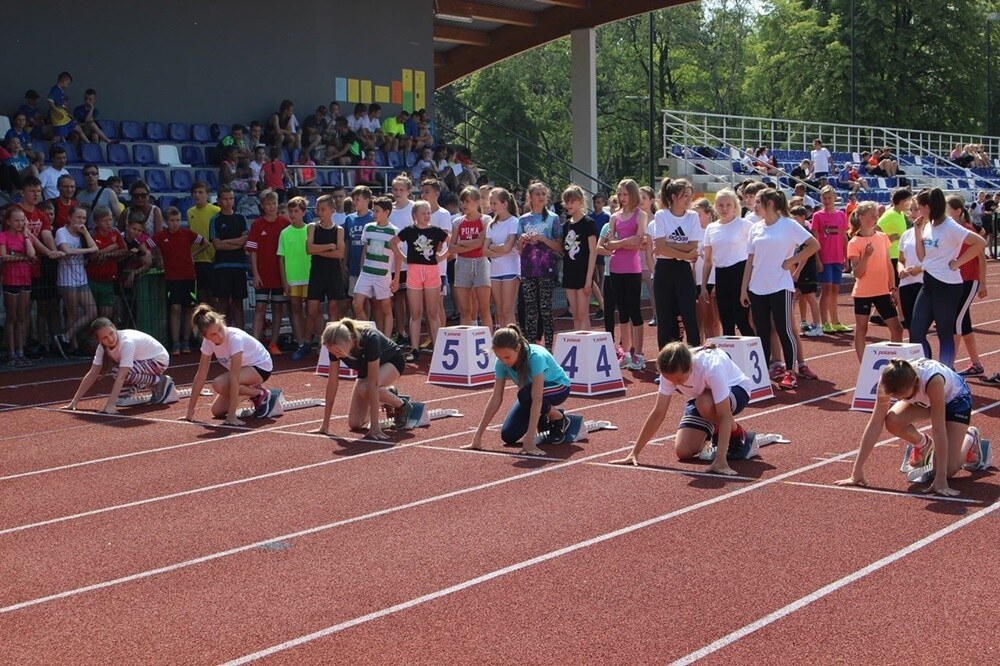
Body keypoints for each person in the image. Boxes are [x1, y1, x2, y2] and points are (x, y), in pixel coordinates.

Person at [836, 358, 983, 497]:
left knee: (947, 470)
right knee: (893, 421)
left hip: (956, 401)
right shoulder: (887, 380)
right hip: (925, 400)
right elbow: (875, 423)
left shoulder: (933, 380)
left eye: (904, 396)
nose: (900, 400)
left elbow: (938, 429)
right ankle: (923, 444)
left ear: (915, 383)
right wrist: (856, 471)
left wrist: (941, 478)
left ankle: (970, 438)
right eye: (896, 397)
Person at [611, 343, 762, 476]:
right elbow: (658, 413)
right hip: (702, 398)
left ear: (690, 367)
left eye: (679, 379)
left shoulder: (711, 367)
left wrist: (720, 461)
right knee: (683, 451)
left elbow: (724, 415)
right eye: (670, 379)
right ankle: (716, 433)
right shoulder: (669, 373)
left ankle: (741, 436)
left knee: (704, 403)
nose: (674, 383)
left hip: (736, 389)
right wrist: (635, 452)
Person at [740, 188, 820, 391]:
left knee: (784, 329)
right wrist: (744, 288)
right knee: (762, 331)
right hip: (757, 287)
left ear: (770, 204)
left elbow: (813, 245)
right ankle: (763, 372)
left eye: (758, 202)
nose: (754, 205)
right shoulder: (755, 228)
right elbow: (750, 260)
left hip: (780, 286)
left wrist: (791, 261)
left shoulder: (789, 225)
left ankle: (790, 373)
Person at [909, 188, 986, 369]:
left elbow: (980, 242)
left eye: (919, 208)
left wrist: (958, 262)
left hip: (947, 286)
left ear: (928, 207)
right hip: (928, 282)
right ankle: (926, 370)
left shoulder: (950, 226)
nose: (918, 212)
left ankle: (944, 374)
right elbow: (922, 257)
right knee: (916, 331)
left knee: (945, 333)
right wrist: (917, 231)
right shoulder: (928, 225)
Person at [464, 325, 572, 456]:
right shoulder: (501, 363)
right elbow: (496, 397)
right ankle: (543, 416)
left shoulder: (535, 357)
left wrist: (530, 438)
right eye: (500, 357)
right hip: (530, 393)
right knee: (508, 436)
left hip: (559, 386)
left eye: (507, 357)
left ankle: (558, 417)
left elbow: (537, 399)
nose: (504, 362)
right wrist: (478, 436)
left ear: (518, 347)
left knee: (525, 395)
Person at [312, 318, 411, 440]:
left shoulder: (370, 339)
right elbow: (332, 382)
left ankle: (402, 405)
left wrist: (374, 426)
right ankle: (387, 394)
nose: (336, 355)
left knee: (366, 388)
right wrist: (325, 424)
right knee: (355, 424)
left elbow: (373, 384)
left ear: (349, 341)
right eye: (332, 351)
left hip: (392, 362)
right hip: (366, 370)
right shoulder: (334, 346)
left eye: (338, 351)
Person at [185, 303, 277, 426]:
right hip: (243, 371)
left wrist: (232, 415)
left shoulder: (235, 339)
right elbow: (200, 375)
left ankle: (260, 394)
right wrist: (190, 411)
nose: (219, 335)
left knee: (218, 384)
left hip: (261, 367)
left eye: (220, 329)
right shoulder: (207, 343)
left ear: (222, 322)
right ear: (205, 337)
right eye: (213, 334)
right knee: (217, 411)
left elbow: (235, 377)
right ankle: (252, 391)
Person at [65, 318, 173, 413]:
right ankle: (153, 381)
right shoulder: (102, 348)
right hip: (141, 363)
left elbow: (122, 375)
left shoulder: (127, 343)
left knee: (117, 372)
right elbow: (92, 373)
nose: (110, 339)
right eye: (105, 338)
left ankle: (159, 381)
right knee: (121, 396)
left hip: (158, 360)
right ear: (98, 340)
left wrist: (110, 405)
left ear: (114, 328)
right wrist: (74, 402)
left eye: (111, 333)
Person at [391, 200, 449, 358]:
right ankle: (414, 349)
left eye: (429, 213)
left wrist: (442, 256)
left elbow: (452, 243)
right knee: (415, 313)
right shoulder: (409, 231)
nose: (427, 216)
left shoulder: (436, 231)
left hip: (432, 271)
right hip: (414, 271)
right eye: (423, 213)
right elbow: (393, 243)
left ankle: (437, 349)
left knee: (433, 312)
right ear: (414, 215)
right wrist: (403, 258)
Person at [846, 202, 903, 361]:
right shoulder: (854, 242)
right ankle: (863, 365)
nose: (876, 219)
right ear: (861, 217)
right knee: (862, 329)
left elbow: (889, 265)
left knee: (897, 329)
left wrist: (893, 287)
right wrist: (866, 256)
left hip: (883, 291)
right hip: (863, 293)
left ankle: (894, 363)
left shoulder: (882, 237)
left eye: (876, 216)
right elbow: (857, 273)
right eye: (872, 216)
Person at [602, 179, 647, 368]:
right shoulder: (614, 217)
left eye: (625, 194)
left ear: (633, 194)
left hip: (632, 269)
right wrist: (625, 242)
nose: (621, 198)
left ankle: (639, 355)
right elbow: (608, 244)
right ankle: (626, 354)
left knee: (634, 311)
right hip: (615, 268)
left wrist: (618, 243)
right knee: (622, 313)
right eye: (619, 194)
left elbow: (639, 242)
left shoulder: (640, 215)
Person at [152, 206, 209, 354]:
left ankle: (186, 341)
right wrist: (154, 256)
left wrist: (193, 255)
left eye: (177, 220)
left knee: (189, 309)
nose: (175, 223)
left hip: (189, 276)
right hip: (172, 278)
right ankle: (175, 342)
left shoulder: (187, 233)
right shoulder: (161, 236)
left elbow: (206, 243)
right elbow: (145, 244)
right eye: (172, 220)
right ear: (166, 221)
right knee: (175, 307)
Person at [650, 178, 699, 349]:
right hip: (664, 270)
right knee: (665, 320)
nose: (689, 199)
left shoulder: (693, 216)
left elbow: (693, 245)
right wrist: (685, 254)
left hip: (683, 270)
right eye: (685, 195)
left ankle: (695, 358)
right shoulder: (661, 215)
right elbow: (660, 248)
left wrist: (668, 246)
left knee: (689, 317)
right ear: (673, 197)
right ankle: (666, 361)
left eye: (690, 196)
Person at [946, 195, 988, 377]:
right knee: (964, 324)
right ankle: (976, 364)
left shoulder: (967, 230)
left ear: (957, 211)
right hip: (955, 281)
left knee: (956, 322)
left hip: (969, 281)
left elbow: (981, 258)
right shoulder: (949, 230)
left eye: (947, 209)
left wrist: (983, 283)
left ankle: (948, 365)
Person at [518, 181, 563, 350]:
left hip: (546, 269)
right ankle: (531, 348)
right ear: (530, 197)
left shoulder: (553, 218)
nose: (541, 197)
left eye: (543, 194)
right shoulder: (523, 219)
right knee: (530, 310)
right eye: (537, 194)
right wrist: (522, 240)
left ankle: (549, 348)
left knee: (545, 310)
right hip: (527, 269)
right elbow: (518, 249)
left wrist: (543, 239)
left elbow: (559, 246)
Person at [703, 189, 754, 337]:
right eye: (720, 205)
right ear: (715, 206)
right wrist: (704, 286)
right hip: (721, 274)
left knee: (742, 320)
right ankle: (730, 351)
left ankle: (757, 350)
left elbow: (756, 250)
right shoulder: (711, 228)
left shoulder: (744, 224)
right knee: (726, 321)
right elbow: (708, 260)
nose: (724, 209)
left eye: (728, 205)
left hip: (740, 273)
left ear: (735, 206)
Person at [247, 189, 291, 352]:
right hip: (263, 274)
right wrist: (255, 274)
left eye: (274, 203)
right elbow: (253, 251)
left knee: (278, 308)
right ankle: (254, 345)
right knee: (260, 307)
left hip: (280, 275)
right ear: (262, 206)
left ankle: (273, 343)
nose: (271, 207)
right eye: (268, 204)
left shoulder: (285, 223)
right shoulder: (257, 224)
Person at [53, 205, 98, 358]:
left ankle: (65, 337)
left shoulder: (83, 233)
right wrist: (87, 251)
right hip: (67, 279)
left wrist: (85, 232)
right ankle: (73, 346)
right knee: (72, 314)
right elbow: (66, 251)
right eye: (78, 217)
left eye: (84, 218)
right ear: (70, 218)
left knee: (92, 311)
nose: (81, 221)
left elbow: (95, 247)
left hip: (81, 278)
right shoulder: (61, 232)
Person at [352, 196, 399, 338]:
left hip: (383, 275)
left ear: (387, 212)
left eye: (377, 211)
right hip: (366, 273)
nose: (374, 213)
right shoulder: (368, 227)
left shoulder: (394, 231)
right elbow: (365, 250)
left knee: (386, 308)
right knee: (357, 305)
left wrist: (396, 278)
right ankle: (373, 335)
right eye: (373, 210)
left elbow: (398, 256)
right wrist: (362, 269)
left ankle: (386, 341)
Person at [306, 194, 347, 348]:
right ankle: (306, 342)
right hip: (316, 273)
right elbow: (309, 249)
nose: (319, 212)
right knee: (311, 310)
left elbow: (340, 254)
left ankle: (332, 343)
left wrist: (319, 251)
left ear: (332, 210)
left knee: (333, 309)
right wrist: (329, 246)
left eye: (323, 209)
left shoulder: (339, 230)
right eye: (318, 209)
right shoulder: (312, 227)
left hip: (333, 273)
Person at [811, 185, 851, 334]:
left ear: (835, 198)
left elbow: (844, 237)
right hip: (825, 258)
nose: (827, 201)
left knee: (835, 290)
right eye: (824, 198)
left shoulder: (841, 215)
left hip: (837, 258)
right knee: (826, 290)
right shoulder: (818, 216)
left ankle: (835, 321)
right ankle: (825, 322)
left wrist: (846, 257)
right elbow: (814, 239)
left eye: (829, 198)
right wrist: (817, 259)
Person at [1, 206, 37, 365]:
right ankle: (11, 353)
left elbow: (31, 254)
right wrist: (21, 257)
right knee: (12, 317)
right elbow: (4, 256)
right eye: (16, 220)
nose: (20, 223)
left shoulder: (24, 237)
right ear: (8, 221)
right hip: (11, 280)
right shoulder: (3, 236)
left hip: (25, 279)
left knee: (22, 317)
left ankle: (20, 351)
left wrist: (26, 235)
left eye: (22, 220)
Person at [209, 186, 249, 331]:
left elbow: (245, 240)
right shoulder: (215, 220)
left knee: (238, 303)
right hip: (222, 267)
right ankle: (220, 333)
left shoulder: (241, 218)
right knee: (222, 303)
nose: (228, 202)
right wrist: (237, 242)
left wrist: (226, 242)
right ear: (219, 201)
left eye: (231, 198)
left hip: (239, 266)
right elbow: (217, 245)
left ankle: (241, 335)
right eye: (225, 199)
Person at [452, 186, 492, 329]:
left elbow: (481, 243)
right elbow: (451, 248)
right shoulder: (457, 222)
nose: (464, 205)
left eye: (467, 201)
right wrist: (473, 244)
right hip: (462, 264)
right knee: (465, 310)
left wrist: (461, 243)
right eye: (462, 202)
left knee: (484, 309)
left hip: (481, 263)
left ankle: (490, 340)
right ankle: (466, 340)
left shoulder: (486, 220)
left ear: (477, 202)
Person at [561, 185, 598, 333]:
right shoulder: (566, 225)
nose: (569, 205)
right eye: (567, 202)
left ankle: (586, 343)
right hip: (569, 272)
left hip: (583, 273)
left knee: (583, 314)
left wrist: (589, 279)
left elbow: (593, 252)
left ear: (581, 201)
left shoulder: (588, 223)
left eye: (572, 201)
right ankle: (579, 342)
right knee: (575, 315)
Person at [280, 197, 313, 360]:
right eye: (291, 211)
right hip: (293, 278)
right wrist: (284, 280)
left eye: (296, 211)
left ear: (303, 212)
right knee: (296, 310)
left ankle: (312, 340)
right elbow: (281, 258)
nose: (293, 214)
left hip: (309, 277)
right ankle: (301, 343)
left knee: (312, 311)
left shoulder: (310, 230)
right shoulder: (284, 233)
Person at [484, 187, 521, 328]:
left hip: (511, 269)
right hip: (495, 271)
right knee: (499, 311)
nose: (492, 206)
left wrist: (493, 247)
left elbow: (508, 248)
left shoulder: (514, 222)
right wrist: (499, 249)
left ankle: (512, 338)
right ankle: (504, 338)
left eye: (494, 203)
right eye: (491, 203)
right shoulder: (491, 224)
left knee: (507, 310)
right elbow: (484, 250)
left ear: (504, 204)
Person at [874, 188, 912, 325]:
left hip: (897, 254)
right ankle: (902, 317)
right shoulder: (889, 214)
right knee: (897, 286)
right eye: (908, 201)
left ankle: (876, 314)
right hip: (891, 255)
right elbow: (875, 229)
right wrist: (888, 239)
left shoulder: (899, 213)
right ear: (902, 201)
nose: (910, 204)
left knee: (890, 286)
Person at [86, 206, 127, 322]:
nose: (109, 223)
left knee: (107, 314)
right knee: (92, 313)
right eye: (105, 220)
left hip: (109, 280)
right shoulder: (92, 234)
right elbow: (93, 256)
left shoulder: (115, 233)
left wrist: (108, 254)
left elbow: (124, 250)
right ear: (97, 222)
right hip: (92, 280)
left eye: (110, 219)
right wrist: (111, 247)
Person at [789, 205, 822, 339]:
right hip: (797, 269)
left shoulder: (805, 233)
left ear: (803, 217)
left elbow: (806, 255)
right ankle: (793, 324)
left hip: (806, 270)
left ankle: (817, 326)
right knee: (795, 296)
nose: (793, 221)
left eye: (795, 218)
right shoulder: (795, 233)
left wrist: (797, 272)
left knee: (810, 296)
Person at [692, 197, 721, 340]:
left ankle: (715, 346)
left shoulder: (715, 230)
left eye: (699, 214)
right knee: (700, 320)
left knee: (713, 320)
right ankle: (703, 347)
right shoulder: (693, 232)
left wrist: (716, 283)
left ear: (708, 214)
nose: (696, 218)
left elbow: (717, 259)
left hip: (713, 280)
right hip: (698, 281)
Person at [186, 181, 220, 306]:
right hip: (196, 258)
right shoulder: (190, 212)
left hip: (212, 258)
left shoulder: (216, 210)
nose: (197, 195)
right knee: (201, 295)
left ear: (207, 194)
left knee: (213, 294)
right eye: (195, 192)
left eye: (200, 192)